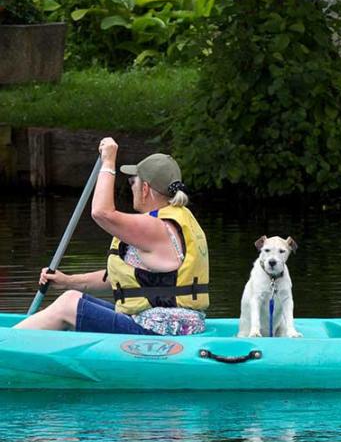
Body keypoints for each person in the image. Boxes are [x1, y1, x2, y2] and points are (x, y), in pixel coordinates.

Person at [15, 137, 210, 336]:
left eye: (133, 181)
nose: (131, 186)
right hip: (167, 325)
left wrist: (108, 162)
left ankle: (9, 343)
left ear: (145, 189)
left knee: (68, 305)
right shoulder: (173, 221)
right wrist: (68, 281)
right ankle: (17, 339)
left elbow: (101, 212)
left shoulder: (157, 227)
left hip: (160, 332)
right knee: (72, 295)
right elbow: (122, 276)